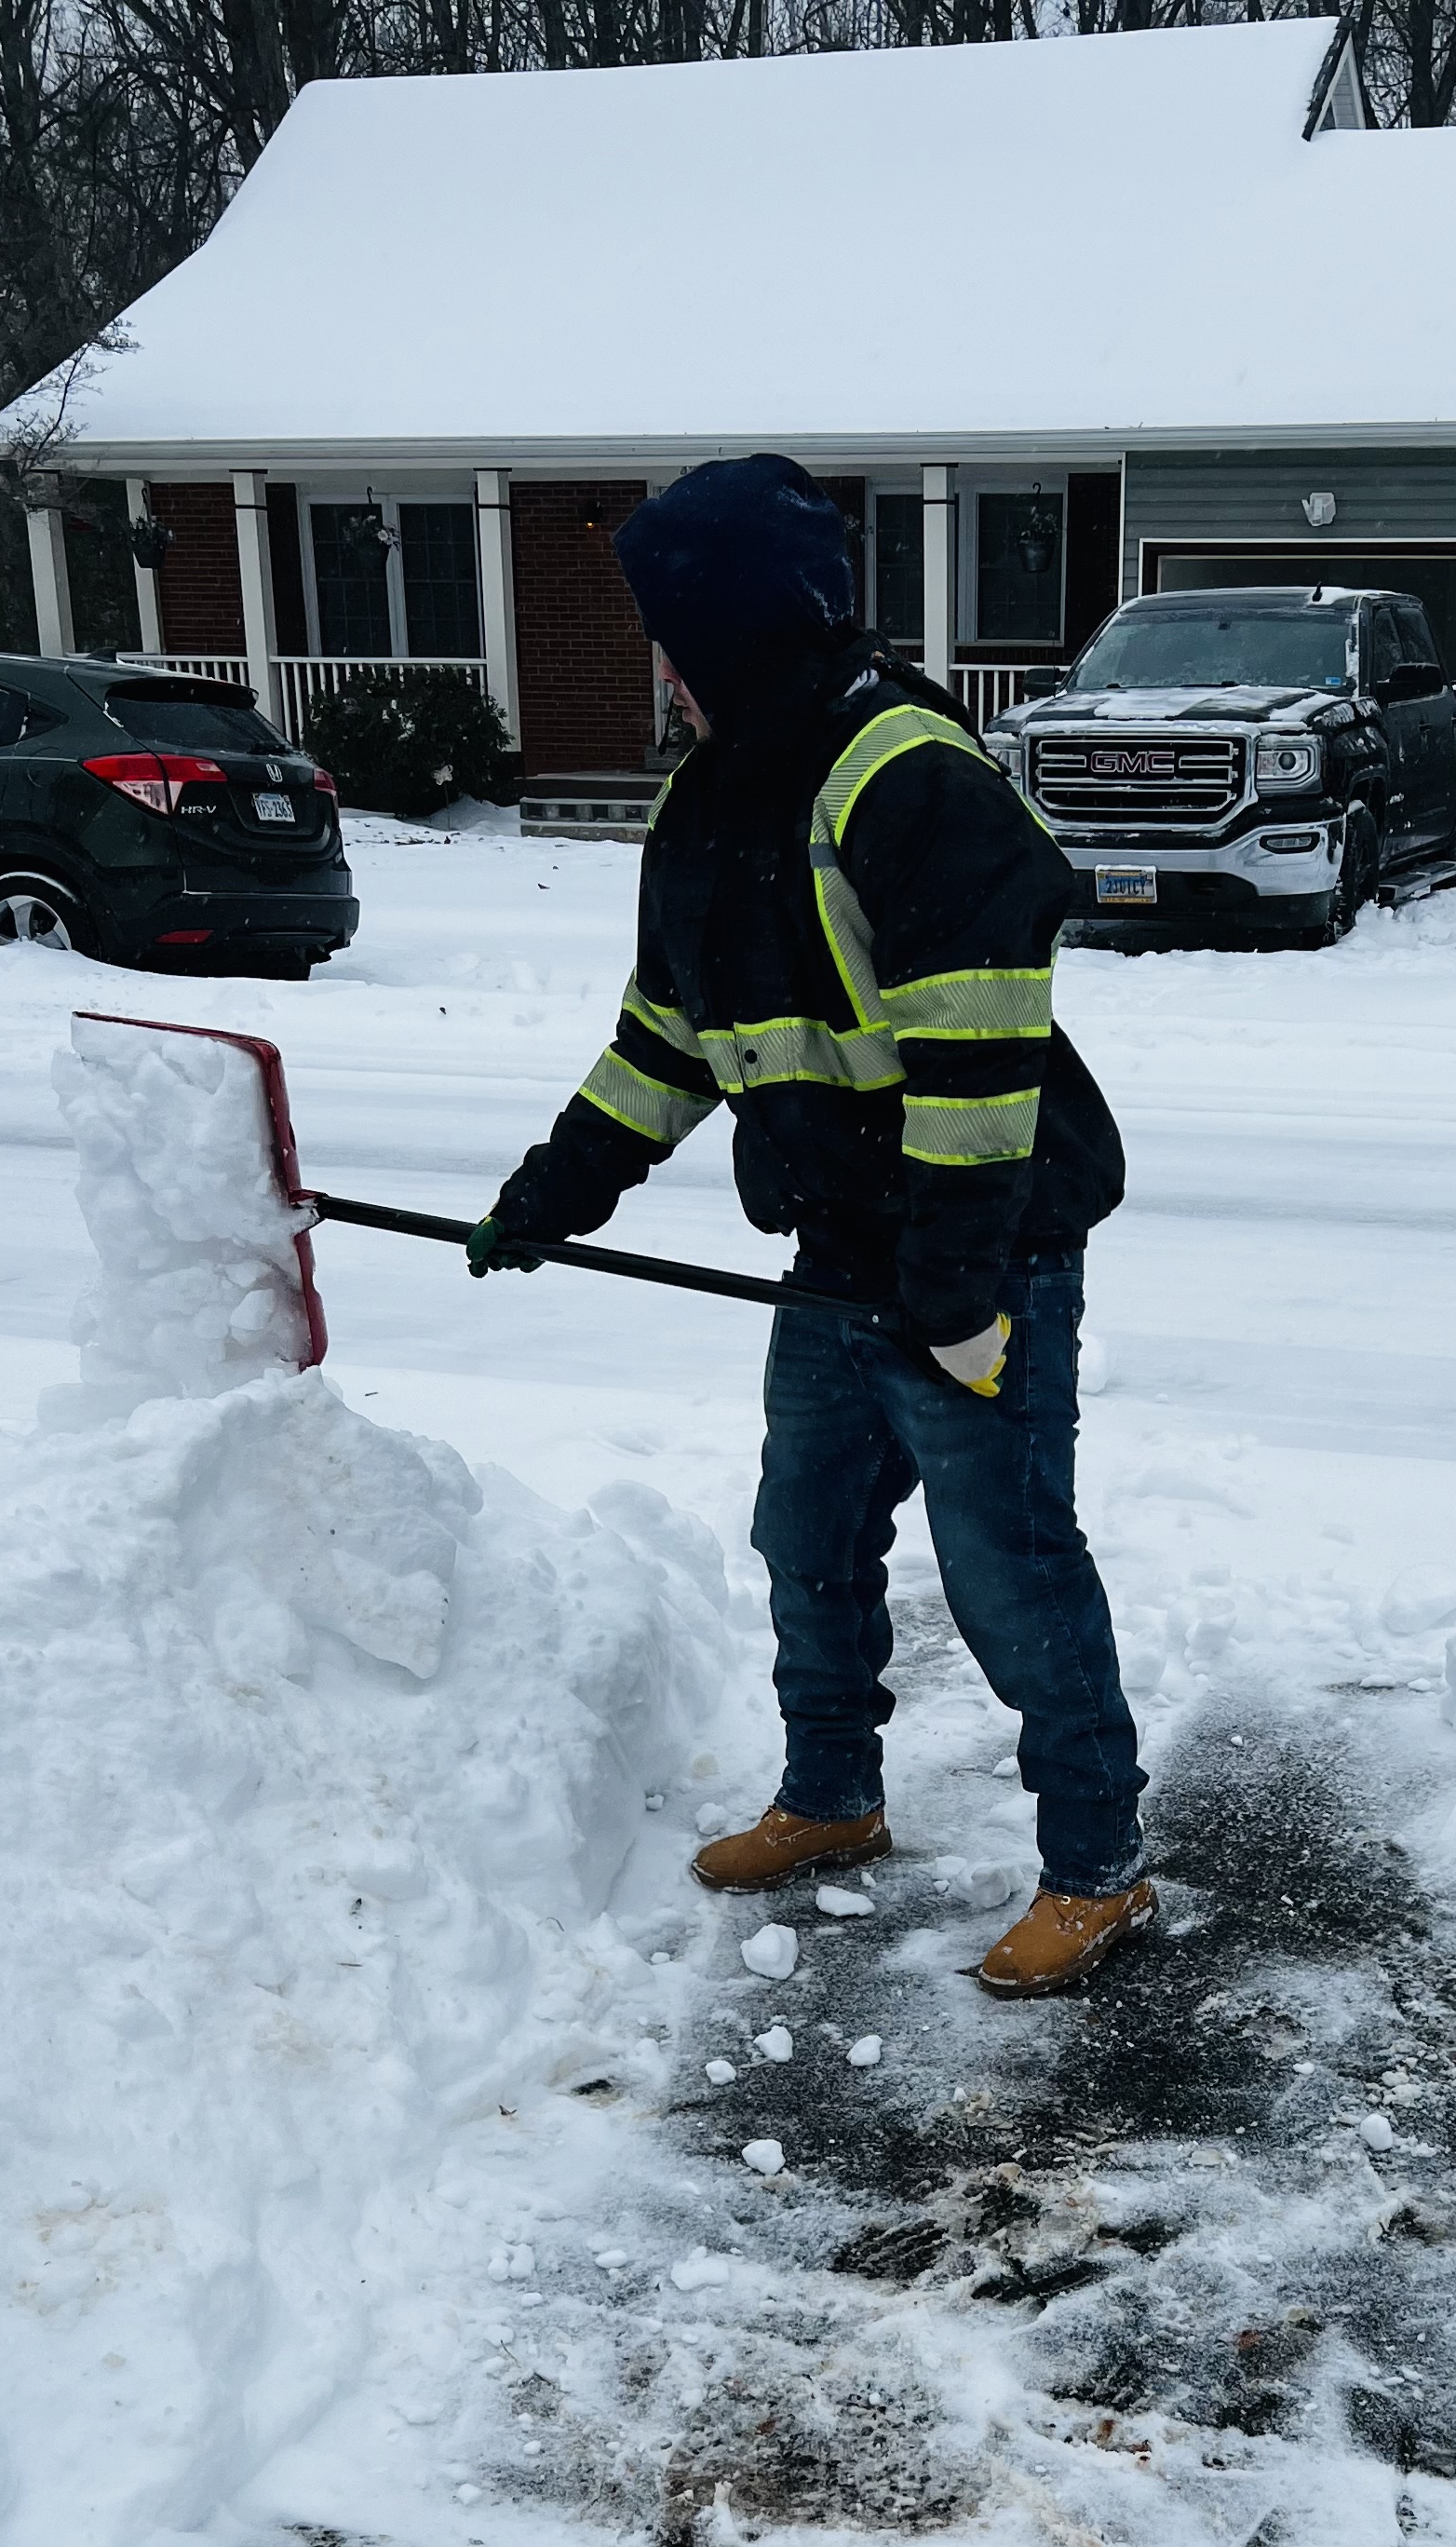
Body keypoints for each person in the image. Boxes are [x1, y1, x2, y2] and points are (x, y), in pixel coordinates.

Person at [469, 454, 1151, 2000]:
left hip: (987, 1260)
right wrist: (554, 1189)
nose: (656, 663)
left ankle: (1098, 1865)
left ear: (730, 624)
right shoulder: (712, 801)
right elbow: (669, 1036)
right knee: (809, 1538)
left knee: (1010, 1566)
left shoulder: (898, 771)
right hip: (841, 1260)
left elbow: (984, 1051)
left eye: (668, 629)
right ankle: (833, 1795)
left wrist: (961, 1293)